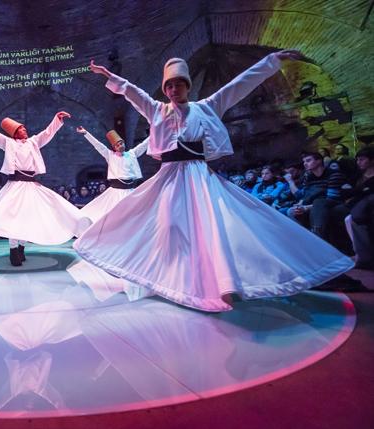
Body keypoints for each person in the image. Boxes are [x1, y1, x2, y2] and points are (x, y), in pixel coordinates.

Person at [73, 51, 354, 312]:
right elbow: (134, 93)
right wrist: (108, 76)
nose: (173, 91)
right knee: (167, 226)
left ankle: (218, 284)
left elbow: (239, 85)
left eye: (178, 85)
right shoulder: (158, 110)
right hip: (170, 178)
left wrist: (272, 61)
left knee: (209, 227)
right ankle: (171, 279)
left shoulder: (206, 107)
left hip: (197, 176)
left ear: (187, 86)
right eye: (169, 86)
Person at [0, 105, 91, 266]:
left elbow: (47, 133)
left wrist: (57, 118)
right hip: (16, 185)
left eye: (24, 128)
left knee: (29, 216)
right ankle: (13, 250)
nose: (25, 130)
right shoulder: (8, 143)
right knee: (13, 217)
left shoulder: (33, 142)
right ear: (16, 132)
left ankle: (21, 248)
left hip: (31, 185)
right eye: (21, 129)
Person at [76, 126, 148, 221]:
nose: (120, 145)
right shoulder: (110, 155)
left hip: (131, 190)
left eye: (121, 143)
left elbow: (144, 144)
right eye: (117, 145)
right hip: (116, 191)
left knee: (135, 215)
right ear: (114, 147)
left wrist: (155, 131)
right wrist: (86, 133)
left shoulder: (132, 154)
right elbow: (98, 145)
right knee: (115, 216)